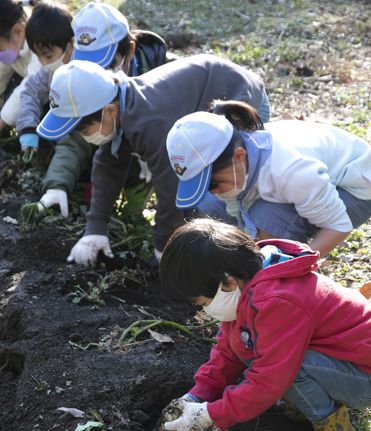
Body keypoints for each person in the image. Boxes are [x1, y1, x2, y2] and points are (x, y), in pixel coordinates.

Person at [158, 218, 371, 431]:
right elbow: (230, 347)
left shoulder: (277, 300)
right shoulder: (247, 284)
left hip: (366, 377)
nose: (202, 309)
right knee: (256, 351)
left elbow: (270, 379)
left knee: (286, 371)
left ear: (227, 283)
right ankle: (308, 402)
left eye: (201, 302)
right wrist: (199, 394)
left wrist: (211, 414)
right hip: (334, 359)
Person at [36, 56, 269, 265]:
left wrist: (164, 244)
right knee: (198, 200)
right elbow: (107, 167)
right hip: (202, 111)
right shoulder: (121, 105)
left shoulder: (149, 124)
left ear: (109, 112)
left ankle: (248, 248)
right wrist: (95, 227)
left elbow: (171, 185)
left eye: (85, 130)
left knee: (219, 193)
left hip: (240, 98)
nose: (86, 138)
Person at [16, 1, 174, 218]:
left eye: (107, 64)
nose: (100, 74)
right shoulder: (85, 83)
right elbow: (74, 139)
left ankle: (133, 206)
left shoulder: (167, 75)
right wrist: (57, 184)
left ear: (129, 52)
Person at [166, 106, 371, 258]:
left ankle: (285, 284)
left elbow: (338, 225)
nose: (212, 191)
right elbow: (231, 204)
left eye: (212, 184)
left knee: (266, 219)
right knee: (209, 204)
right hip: (308, 184)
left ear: (239, 157)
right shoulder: (236, 163)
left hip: (353, 191)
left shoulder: (290, 171)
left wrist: (300, 263)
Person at [0, 0, 41, 135]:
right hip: (32, 88)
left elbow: (30, 85)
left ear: (18, 31)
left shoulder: (42, 43)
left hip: (51, 92)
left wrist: (2, 120)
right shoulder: (12, 44)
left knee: (16, 95)